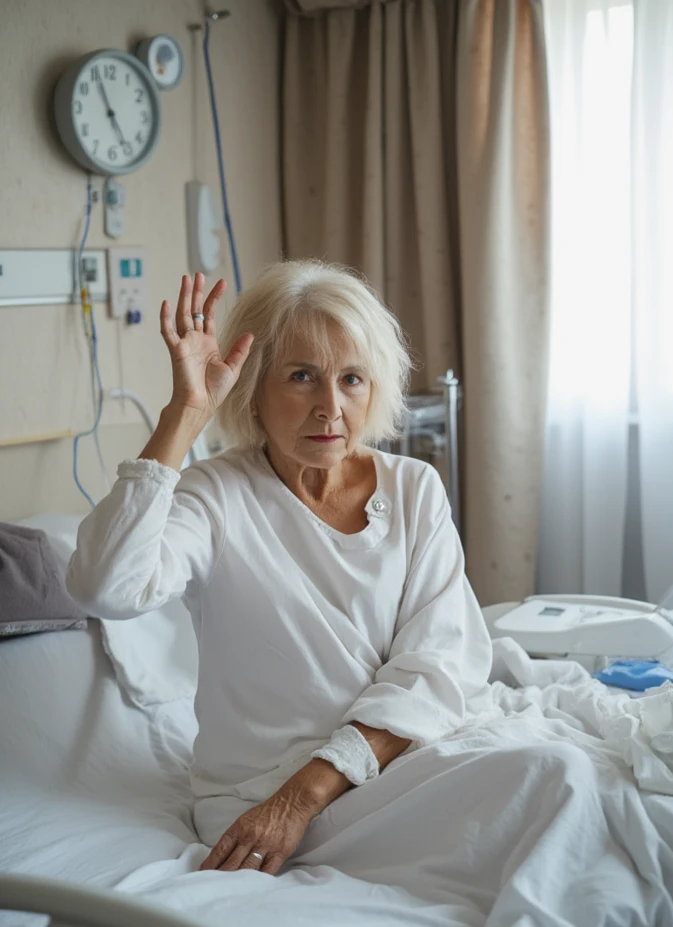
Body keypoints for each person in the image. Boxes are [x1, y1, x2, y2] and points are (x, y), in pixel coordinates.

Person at [67, 260, 494, 877]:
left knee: (567, 777)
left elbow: (438, 667)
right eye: (301, 377)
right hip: (258, 795)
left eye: (352, 379)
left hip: (388, 762)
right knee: (546, 787)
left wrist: (309, 792)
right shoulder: (215, 496)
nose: (330, 407)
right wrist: (186, 411)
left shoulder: (414, 488)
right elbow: (104, 587)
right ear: (253, 388)